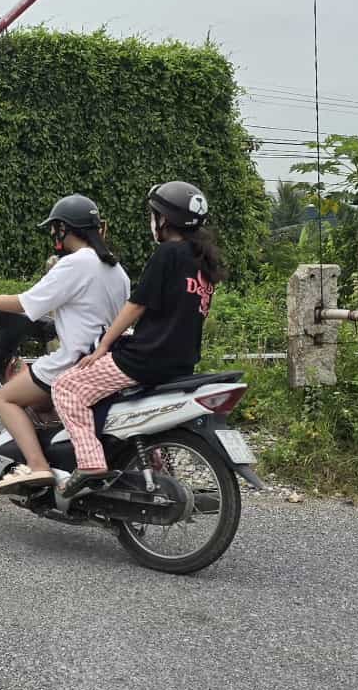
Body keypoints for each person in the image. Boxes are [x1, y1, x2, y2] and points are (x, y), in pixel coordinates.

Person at [51, 181, 227, 496]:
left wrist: (104, 346)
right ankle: (153, 475)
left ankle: (90, 462)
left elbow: (136, 305)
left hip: (145, 359)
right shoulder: (202, 262)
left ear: (165, 220)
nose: (152, 221)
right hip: (181, 362)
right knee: (134, 415)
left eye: (154, 214)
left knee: (67, 388)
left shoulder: (167, 254)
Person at [0, 194, 130, 495]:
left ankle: (38, 465)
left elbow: (25, 303)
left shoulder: (76, 263)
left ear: (63, 229)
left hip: (73, 363)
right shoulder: (116, 270)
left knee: (6, 398)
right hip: (104, 362)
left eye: (54, 228)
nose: (53, 234)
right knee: (38, 397)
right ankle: (58, 455)